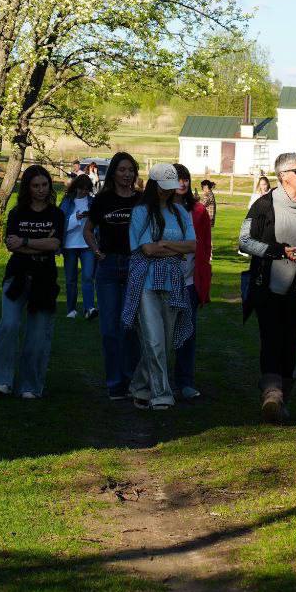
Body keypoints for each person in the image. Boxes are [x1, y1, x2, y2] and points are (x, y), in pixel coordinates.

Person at [239, 151, 296, 423]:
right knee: (270, 339)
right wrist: (279, 251)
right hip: (266, 285)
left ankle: (281, 400)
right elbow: (244, 241)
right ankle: (271, 396)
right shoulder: (263, 206)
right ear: (283, 176)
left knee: (290, 343)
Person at [0, 165, 64, 399]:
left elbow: (55, 245)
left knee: (38, 335)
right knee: (8, 326)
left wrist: (26, 241)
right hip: (16, 276)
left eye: (44, 185)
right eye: (35, 185)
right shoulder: (17, 213)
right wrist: (39, 242)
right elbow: (11, 245)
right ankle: (1, 379)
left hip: (44, 280)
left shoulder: (55, 215)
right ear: (28, 188)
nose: (40, 190)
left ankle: (30, 385)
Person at [122, 163, 195, 409]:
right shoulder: (141, 212)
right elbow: (146, 249)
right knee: (153, 339)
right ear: (153, 186)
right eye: (163, 188)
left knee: (164, 340)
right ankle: (161, 394)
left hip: (172, 279)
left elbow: (193, 246)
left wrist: (163, 244)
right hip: (146, 280)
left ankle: (140, 387)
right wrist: (174, 247)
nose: (167, 192)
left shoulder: (181, 213)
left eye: (170, 188)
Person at [84, 152, 141, 399]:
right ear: (114, 172)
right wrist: (96, 251)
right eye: (122, 170)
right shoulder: (102, 200)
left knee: (130, 327)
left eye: (131, 170)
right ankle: (114, 383)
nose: (127, 174)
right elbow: (87, 231)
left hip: (134, 266)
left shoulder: (141, 201)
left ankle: (132, 379)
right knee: (109, 328)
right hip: (108, 267)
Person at [173, 162, 213, 399]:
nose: (182, 183)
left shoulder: (198, 212)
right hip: (162, 282)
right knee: (158, 336)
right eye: (177, 178)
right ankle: (153, 381)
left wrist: (202, 285)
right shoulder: (157, 210)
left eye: (185, 178)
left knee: (187, 334)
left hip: (188, 283)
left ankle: (185, 381)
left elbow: (205, 249)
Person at [59, 173, 97, 319]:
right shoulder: (67, 202)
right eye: (81, 189)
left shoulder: (93, 202)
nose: (83, 192)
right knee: (71, 279)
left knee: (88, 277)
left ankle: (89, 308)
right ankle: (71, 309)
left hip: (87, 245)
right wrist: (75, 218)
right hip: (70, 245)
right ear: (76, 188)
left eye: (86, 189)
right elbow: (61, 225)